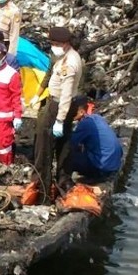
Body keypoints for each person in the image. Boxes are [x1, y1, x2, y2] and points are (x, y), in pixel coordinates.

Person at [30, 26, 83, 191]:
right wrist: (38, 94)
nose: (53, 46)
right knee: (63, 143)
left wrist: (59, 119)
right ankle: (62, 179)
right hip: (58, 102)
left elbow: (66, 95)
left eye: (55, 43)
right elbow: (50, 74)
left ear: (65, 43)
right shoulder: (64, 56)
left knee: (44, 143)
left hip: (59, 105)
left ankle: (42, 184)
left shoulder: (70, 64)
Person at [64, 96, 123, 181]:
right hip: (114, 164)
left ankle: (66, 182)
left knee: (67, 158)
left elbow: (70, 144)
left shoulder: (85, 124)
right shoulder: (97, 118)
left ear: (81, 112)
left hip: (102, 168)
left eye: (73, 111)